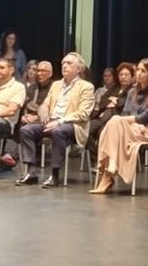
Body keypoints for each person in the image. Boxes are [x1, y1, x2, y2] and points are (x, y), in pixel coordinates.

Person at [17, 53, 95, 188]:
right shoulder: (56, 85)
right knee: (26, 130)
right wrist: (43, 110)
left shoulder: (86, 87)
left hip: (73, 125)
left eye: (69, 63)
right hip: (51, 121)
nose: (65, 66)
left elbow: (83, 113)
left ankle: (55, 175)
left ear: (78, 69)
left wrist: (59, 121)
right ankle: (31, 173)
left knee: (58, 131)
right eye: (63, 63)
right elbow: (46, 103)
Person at [90, 58, 148, 193]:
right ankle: (110, 170)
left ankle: (108, 174)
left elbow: (145, 118)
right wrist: (129, 123)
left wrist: (129, 122)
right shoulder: (132, 92)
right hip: (128, 127)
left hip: (146, 130)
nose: (138, 73)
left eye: (143, 71)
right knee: (115, 121)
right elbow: (125, 112)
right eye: (138, 70)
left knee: (115, 121)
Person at [85, 62, 134, 160]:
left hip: (118, 121)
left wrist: (116, 101)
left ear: (132, 76)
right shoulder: (114, 88)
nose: (123, 77)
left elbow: (125, 104)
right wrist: (112, 103)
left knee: (102, 133)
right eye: (121, 75)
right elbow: (102, 101)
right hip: (103, 118)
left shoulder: (132, 90)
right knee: (85, 130)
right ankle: (96, 158)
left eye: (126, 74)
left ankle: (104, 161)